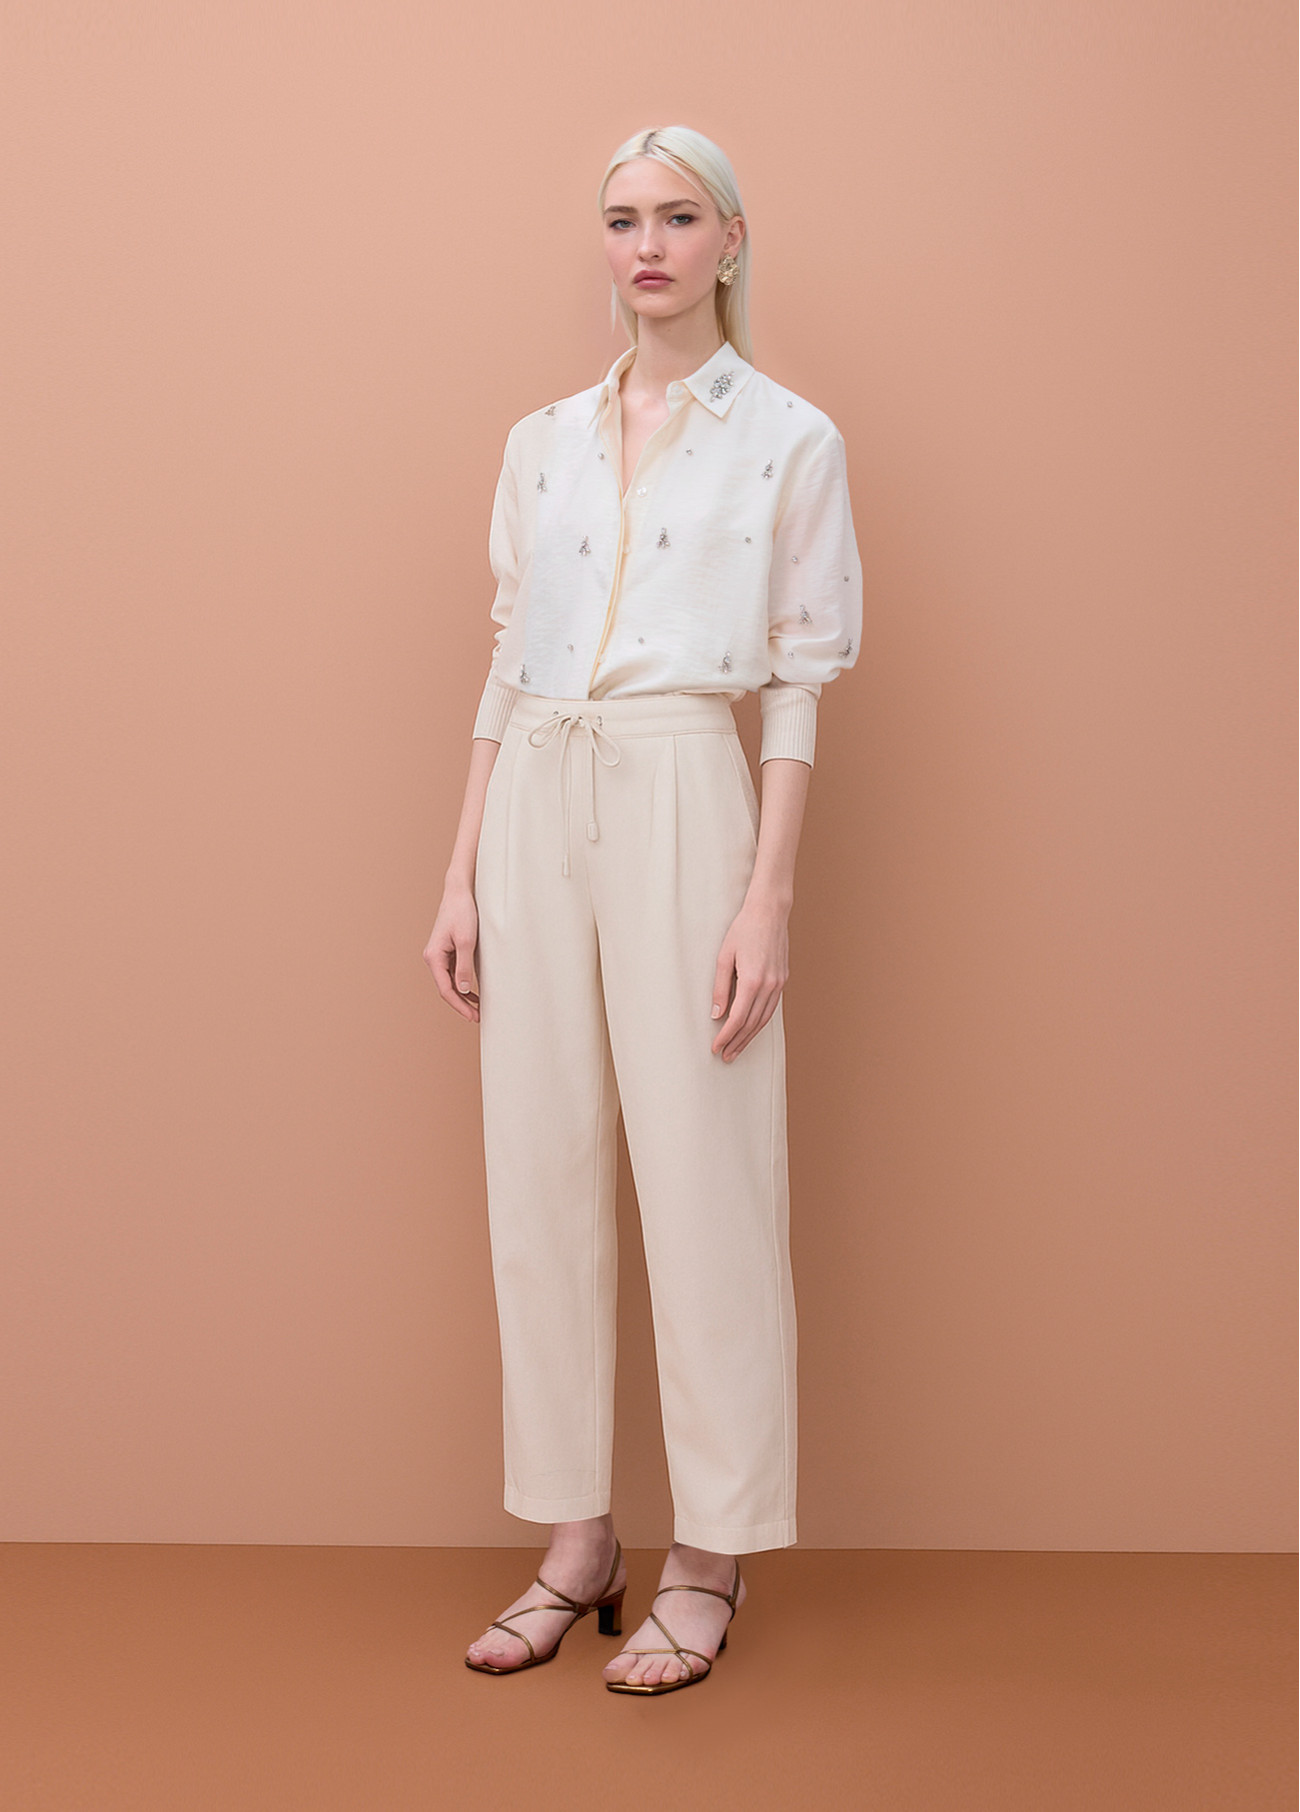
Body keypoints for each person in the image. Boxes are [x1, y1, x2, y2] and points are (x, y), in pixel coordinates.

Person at [423, 124, 862, 1695]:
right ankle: (577, 1541)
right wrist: (462, 867)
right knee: (537, 1178)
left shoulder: (790, 439)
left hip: (686, 781)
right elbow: (509, 647)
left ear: (731, 239)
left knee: (705, 1177)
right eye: (623, 219)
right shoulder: (542, 439)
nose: (649, 245)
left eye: (680, 217)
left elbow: (798, 678)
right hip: (535, 788)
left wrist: (768, 896)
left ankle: (710, 1555)